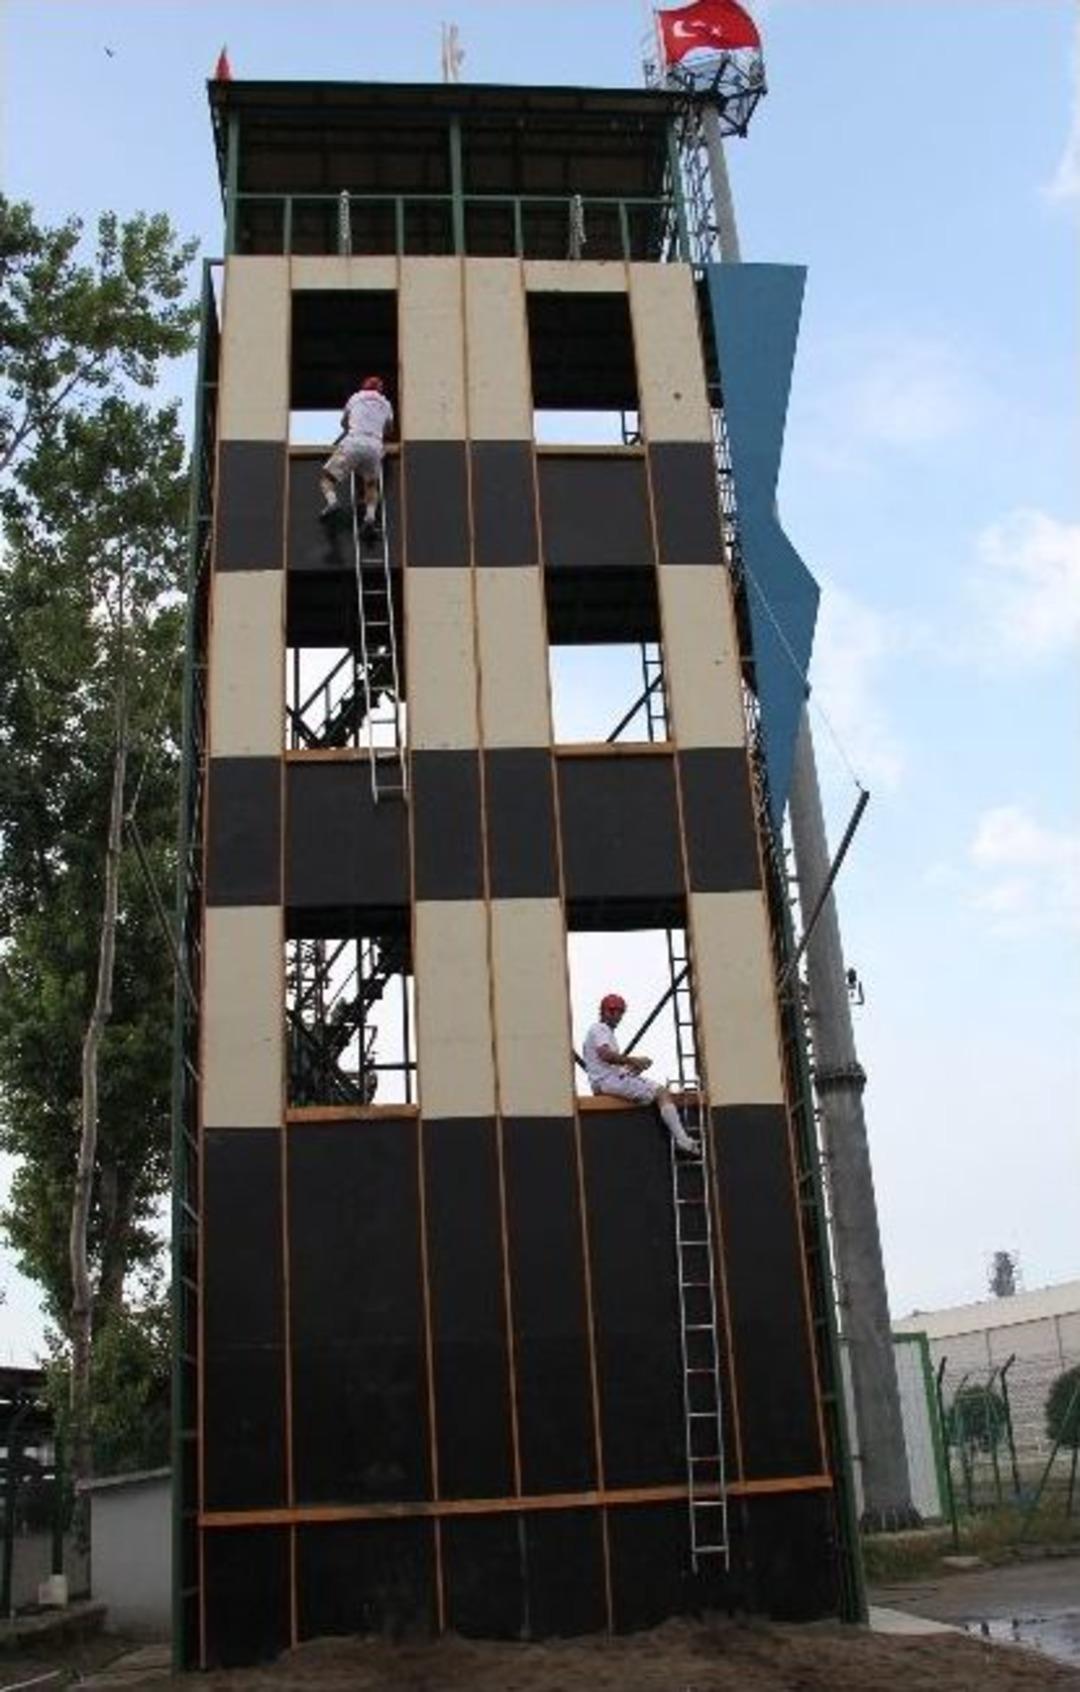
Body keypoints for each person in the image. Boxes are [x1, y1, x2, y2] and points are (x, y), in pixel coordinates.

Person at [582, 993, 701, 1154]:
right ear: (602, 1011)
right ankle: (683, 1140)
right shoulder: (600, 1028)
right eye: (612, 1010)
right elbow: (605, 1055)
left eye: (619, 1012)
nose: (616, 1015)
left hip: (606, 1080)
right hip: (608, 1081)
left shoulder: (603, 1032)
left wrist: (633, 1067)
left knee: (655, 1091)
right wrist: (633, 1061)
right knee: (661, 1092)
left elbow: (604, 1062)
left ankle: (678, 1134)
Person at [318, 375, 394, 540]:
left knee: (327, 478)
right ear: (380, 389)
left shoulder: (355, 398)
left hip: (354, 442)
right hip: (375, 446)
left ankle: (332, 503)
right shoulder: (386, 403)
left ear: (364, 387)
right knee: (371, 484)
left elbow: (344, 423)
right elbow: (389, 429)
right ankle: (370, 518)